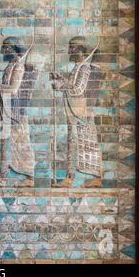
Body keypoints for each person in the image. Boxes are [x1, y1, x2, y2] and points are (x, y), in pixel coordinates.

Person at [0, 36, 38, 188]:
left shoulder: (19, 67)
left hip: (16, 113)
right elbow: (5, 86)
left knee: (21, 145)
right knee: (6, 145)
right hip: (7, 111)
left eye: (7, 48)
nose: (4, 50)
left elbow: (13, 89)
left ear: (15, 49)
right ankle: (3, 178)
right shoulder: (11, 66)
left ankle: (28, 178)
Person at [51, 36, 102, 188]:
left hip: (80, 112)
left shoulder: (84, 67)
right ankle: (70, 178)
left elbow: (79, 89)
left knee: (86, 145)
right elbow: (73, 85)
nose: (69, 51)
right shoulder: (78, 67)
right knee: (74, 145)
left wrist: (62, 86)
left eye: (72, 47)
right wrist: (62, 80)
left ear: (80, 49)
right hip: (74, 111)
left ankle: (94, 177)